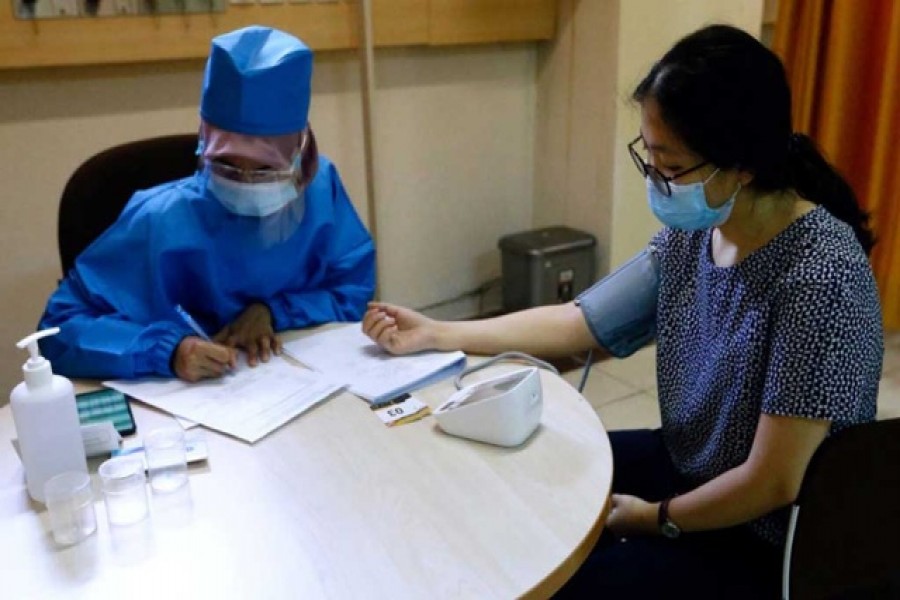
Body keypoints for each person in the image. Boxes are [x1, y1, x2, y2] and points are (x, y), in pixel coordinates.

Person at [363, 24, 883, 598]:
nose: (658, 183)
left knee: (573, 582)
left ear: (745, 165)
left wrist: (654, 517)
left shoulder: (820, 276)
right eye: (649, 158)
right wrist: (436, 332)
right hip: (684, 462)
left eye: (673, 167)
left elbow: (774, 480)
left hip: (760, 537)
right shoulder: (698, 236)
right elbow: (580, 322)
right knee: (523, 479)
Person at [40, 26, 376, 383]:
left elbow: (352, 290)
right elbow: (58, 330)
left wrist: (273, 311)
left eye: (265, 170)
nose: (246, 182)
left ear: (300, 153)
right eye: (228, 165)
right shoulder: (160, 218)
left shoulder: (321, 190)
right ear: (204, 147)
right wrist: (167, 351)